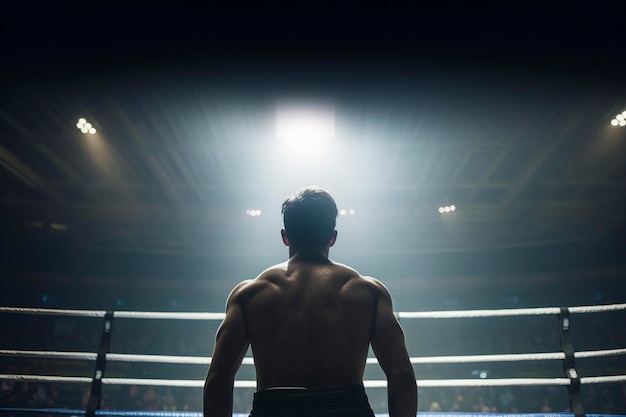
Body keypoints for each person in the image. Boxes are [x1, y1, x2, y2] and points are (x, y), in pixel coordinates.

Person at [204, 186, 417, 417]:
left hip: (274, 409)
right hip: (348, 409)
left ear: (285, 237)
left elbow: (219, 378)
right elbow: (401, 374)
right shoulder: (368, 291)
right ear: (332, 238)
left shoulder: (250, 294)